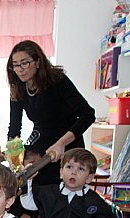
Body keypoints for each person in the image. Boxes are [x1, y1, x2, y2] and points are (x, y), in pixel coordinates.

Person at [7, 40, 95, 186]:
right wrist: (12, 154)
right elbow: (15, 127)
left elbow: (88, 114)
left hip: (67, 145)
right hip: (41, 146)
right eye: (15, 65)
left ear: (38, 62)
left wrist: (61, 143)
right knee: (29, 185)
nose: (20, 69)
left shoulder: (57, 81)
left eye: (24, 63)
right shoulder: (18, 89)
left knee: (59, 191)